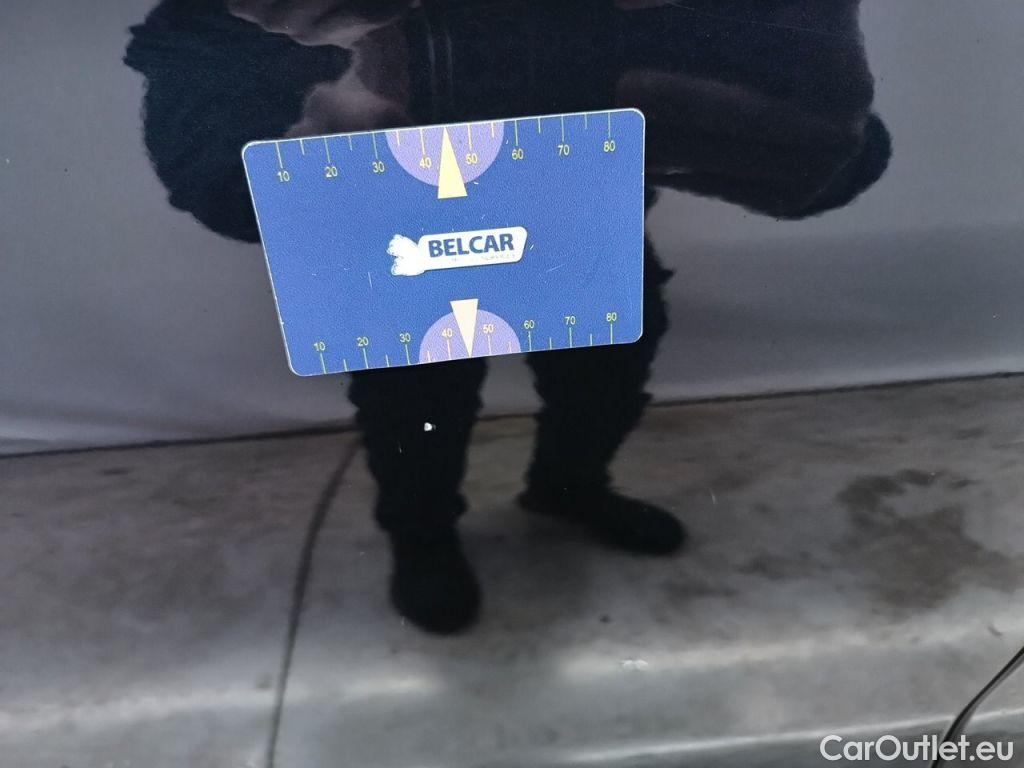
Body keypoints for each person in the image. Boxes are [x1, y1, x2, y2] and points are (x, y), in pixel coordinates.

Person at [125, 0, 890, 633]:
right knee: (413, 408)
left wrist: (818, 132)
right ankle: (423, 537)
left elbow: (824, 150)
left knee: (605, 382)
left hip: (569, 196)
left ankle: (569, 488)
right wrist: (273, 153)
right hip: (391, 211)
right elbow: (206, 114)